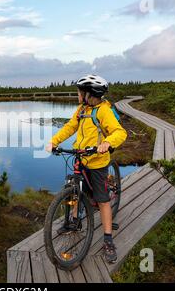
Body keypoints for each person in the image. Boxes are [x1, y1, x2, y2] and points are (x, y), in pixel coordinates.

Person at [45, 74, 127, 263]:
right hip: (80, 156)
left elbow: (119, 132)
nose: (78, 95)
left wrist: (107, 143)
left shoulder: (104, 111)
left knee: (103, 200)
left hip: (97, 162)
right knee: (75, 189)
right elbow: (70, 127)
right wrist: (53, 141)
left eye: (80, 92)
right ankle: (74, 222)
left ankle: (108, 239)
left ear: (90, 94)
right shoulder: (82, 110)